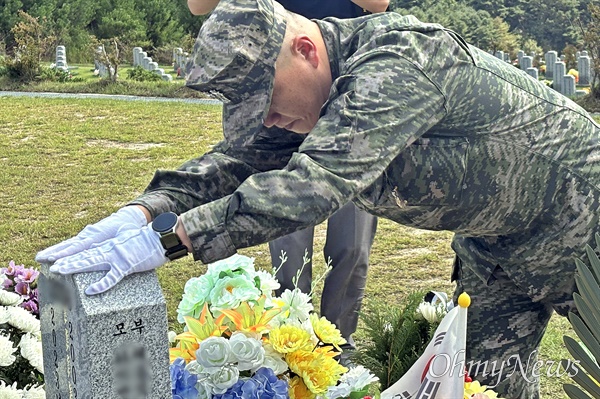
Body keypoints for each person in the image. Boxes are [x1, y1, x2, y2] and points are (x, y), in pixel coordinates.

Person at [35, 0, 600, 397]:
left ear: (306, 49)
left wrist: (170, 240)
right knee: (479, 388)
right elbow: (242, 158)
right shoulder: (311, 95)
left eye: (271, 101)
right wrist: (145, 209)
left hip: (587, 232)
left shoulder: (397, 60)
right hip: (499, 253)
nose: (272, 121)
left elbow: (316, 182)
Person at [185, 0, 387, 356]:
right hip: (276, 93)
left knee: (352, 244)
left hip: (345, 100)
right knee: (287, 242)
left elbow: (381, 4)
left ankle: (339, 343)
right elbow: (198, 7)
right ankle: (293, 344)